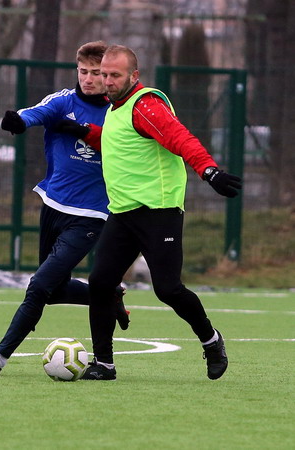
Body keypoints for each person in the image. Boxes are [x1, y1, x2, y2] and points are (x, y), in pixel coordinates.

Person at [76, 45, 242, 381]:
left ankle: (211, 340)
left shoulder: (145, 105)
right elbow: (120, 143)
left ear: (134, 76)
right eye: (104, 74)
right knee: (101, 282)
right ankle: (103, 364)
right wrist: (83, 132)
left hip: (158, 212)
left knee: (167, 289)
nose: (107, 81)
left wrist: (209, 171)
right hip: (123, 213)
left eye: (115, 75)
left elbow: (181, 138)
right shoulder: (115, 108)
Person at [0, 41, 130, 377]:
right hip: (53, 206)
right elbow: (34, 113)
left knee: (39, 285)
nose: (89, 79)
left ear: (108, 75)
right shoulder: (63, 101)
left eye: (96, 73)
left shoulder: (118, 112)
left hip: (91, 215)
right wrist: (18, 121)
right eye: (83, 71)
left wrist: (87, 132)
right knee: (54, 290)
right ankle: (108, 296)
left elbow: (123, 145)